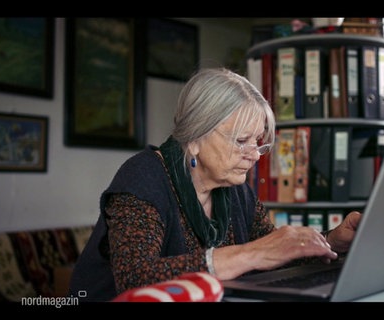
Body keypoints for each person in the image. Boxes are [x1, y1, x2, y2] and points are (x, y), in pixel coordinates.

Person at [68, 67, 362, 302]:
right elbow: (135, 279)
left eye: (258, 142)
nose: (253, 155)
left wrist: (331, 241)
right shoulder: (144, 177)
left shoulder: (235, 187)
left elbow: (275, 254)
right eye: (241, 141)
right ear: (194, 139)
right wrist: (253, 252)